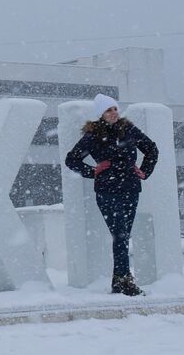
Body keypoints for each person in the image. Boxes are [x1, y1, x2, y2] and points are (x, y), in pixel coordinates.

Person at [63, 94, 159, 296]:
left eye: (115, 108)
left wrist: (145, 170)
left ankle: (120, 281)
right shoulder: (93, 136)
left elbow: (151, 149)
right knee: (120, 234)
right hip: (107, 191)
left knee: (123, 235)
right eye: (109, 110)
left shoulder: (129, 130)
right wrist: (93, 171)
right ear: (100, 114)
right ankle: (125, 280)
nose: (114, 112)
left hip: (131, 189)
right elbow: (72, 160)